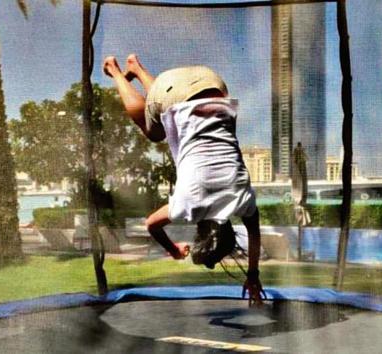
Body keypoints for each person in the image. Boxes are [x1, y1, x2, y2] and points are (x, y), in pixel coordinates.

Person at [103, 54, 265, 306]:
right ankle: (113, 69)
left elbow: (254, 233)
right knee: (152, 132)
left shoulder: (242, 201)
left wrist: (253, 275)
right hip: (174, 91)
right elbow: (151, 225)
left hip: (213, 85)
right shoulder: (187, 205)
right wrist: (173, 249)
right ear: (199, 232)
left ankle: (136, 68)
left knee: (169, 111)